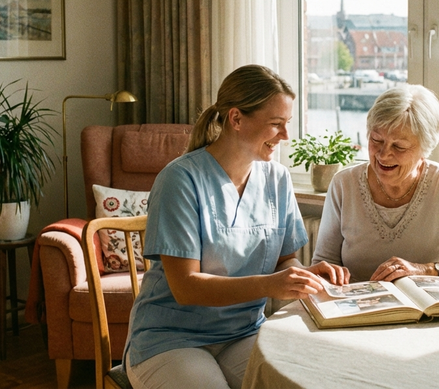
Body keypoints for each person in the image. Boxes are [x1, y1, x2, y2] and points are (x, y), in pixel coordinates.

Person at [125, 65, 350, 389]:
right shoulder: (180, 180)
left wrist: (306, 276)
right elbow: (186, 287)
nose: (285, 136)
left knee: (303, 381)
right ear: (236, 119)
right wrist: (270, 285)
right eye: (276, 125)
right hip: (171, 339)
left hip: (243, 333)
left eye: (287, 124)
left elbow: (284, 261)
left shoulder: (278, 178)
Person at [312, 84, 439, 283]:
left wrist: (425, 270)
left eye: (399, 146)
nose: (383, 154)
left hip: (426, 309)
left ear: (425, 148)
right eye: (376, 140)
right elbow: (324, 264)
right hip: (359, 308)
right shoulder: (344, 184)